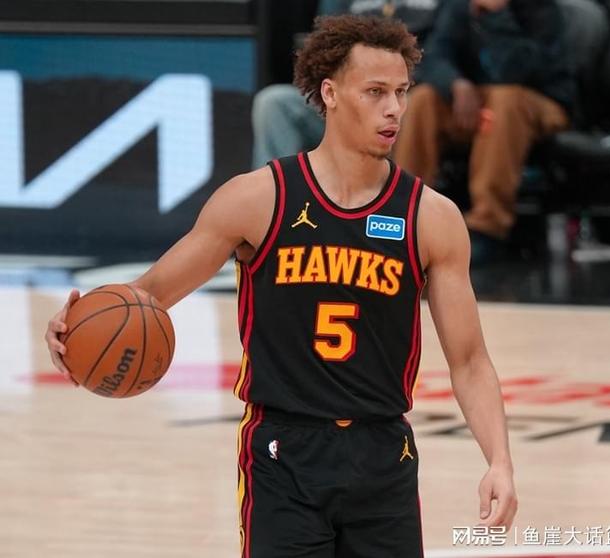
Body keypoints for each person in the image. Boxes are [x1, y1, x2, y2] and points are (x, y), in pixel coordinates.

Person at [45, 15, 517, 557]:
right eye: (375, 92)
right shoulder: (257, 199)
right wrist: (74, 330)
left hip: (383, 452)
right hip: (282, 452)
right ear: (330, 94)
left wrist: (499, 461)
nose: (394, 108)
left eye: (401, 92)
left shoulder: (431, 217)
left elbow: (470, 361)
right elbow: (149, 295)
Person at [394, 0, 575, 264]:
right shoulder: (459, 5)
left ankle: (486, 227)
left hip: (542, 101)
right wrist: (456, 84)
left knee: (505, 102)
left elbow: (518, 71)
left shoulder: (539, 8)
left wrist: (497, 17)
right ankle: (404, 218)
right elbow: (433, 55)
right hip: (478, 101)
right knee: (423, 100)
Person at [251, 0, 440, 170]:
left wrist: (390, 82)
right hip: (351, 91)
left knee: (416, 101)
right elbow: (326, 44)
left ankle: (401, 196)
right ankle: (275, 191)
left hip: (409, 93)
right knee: (274, 101)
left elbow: (442, 50)